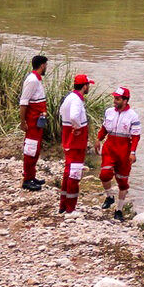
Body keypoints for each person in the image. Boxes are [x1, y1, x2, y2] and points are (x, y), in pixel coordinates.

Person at [96, 86, 141, 221]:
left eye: (117, 98)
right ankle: (109, 196)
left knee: (122, 182)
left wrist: (132, 153)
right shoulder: (109, 112)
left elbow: (136, 137)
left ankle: (119, 210)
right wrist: (98, 139)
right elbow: (104, 128)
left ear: (125, 100)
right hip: (110, 146)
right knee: (104, 175)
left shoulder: (133, 115)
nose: (115, 101)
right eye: (114, 98)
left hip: (124, 149)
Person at [58, 74, 94, 213]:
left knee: (68, 171)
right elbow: (73, 116)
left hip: (69, 139)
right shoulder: (77, 100)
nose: (88, 87)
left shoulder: (69, 97)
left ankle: (63, 205)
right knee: (75, 173)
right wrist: (77, 127)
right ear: (84, 86)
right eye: (88, 85)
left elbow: (62, 113)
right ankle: (70, 208)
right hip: (76, 142)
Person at [19, 55, 48, 192]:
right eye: (46, 65)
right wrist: (23, 122)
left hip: (37, 122)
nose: (46, 68)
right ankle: (27, 180)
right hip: (32, 121)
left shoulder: (36, 79)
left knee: (35, 150)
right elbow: (24, 102)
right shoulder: (32, 80)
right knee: (30, 149)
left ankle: (32, 176)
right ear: (42, 65)